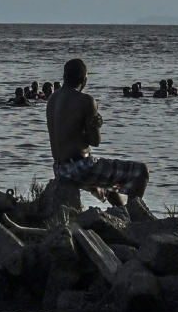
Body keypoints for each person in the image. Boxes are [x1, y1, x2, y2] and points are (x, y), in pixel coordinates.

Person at [47, 58, 151, 220]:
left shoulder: (52, 99)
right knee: (141, 171)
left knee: (107, 183)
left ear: (64, 76)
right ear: (84, 79)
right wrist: (95, 125)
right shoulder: (87, 100)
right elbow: (94, 141)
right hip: (80, 166)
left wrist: (86, 125)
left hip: (60, 167)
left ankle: (122, 212)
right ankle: (135, 221)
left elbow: (67, 133)